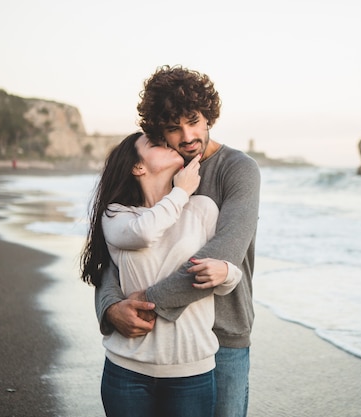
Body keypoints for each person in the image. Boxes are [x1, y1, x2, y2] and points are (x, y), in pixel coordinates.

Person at [95, 66, 261, 417]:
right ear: (159, 131)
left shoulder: (238, 169)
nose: (187, 136)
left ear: (209, 116)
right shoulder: (157, 171)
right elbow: (115, 252)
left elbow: (222, 253)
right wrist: (110, 307)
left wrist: (144, 301)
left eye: (194, 121)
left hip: (224, 334)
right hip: (151, 344)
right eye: (173, 128)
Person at [81, 131, 242, 416]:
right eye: (157, 144)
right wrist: (180, 192)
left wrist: (227, 272)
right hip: (127, 368)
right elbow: (144, 234)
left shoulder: (203, 209)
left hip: (192, 369)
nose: (169, 144)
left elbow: (227, 280)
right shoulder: (117, 214)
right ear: (137, 167)